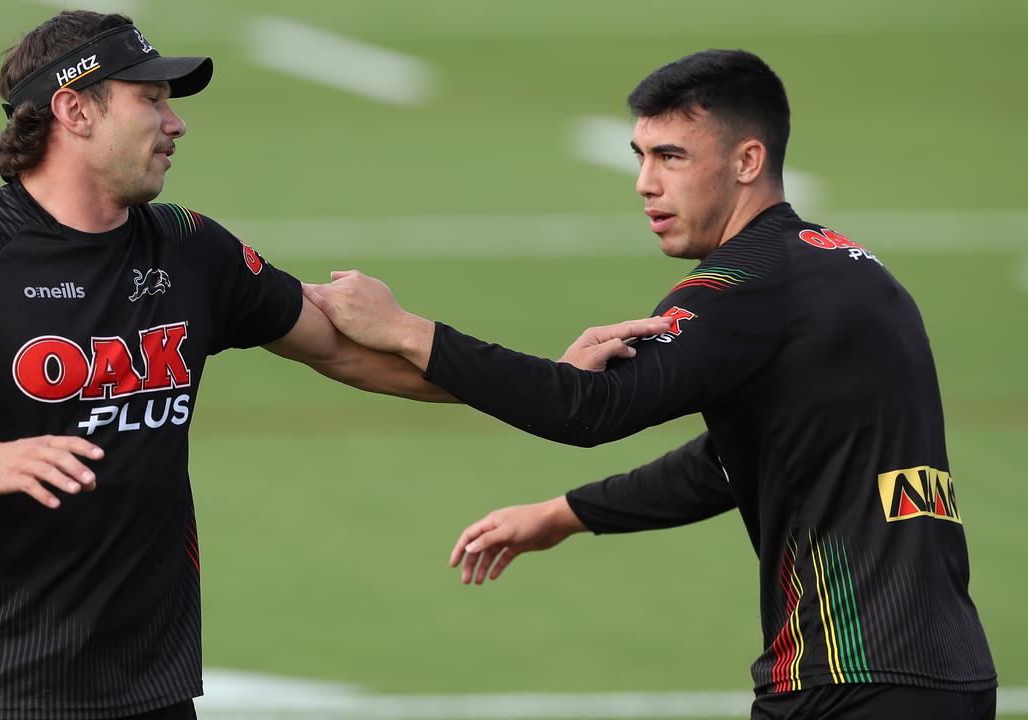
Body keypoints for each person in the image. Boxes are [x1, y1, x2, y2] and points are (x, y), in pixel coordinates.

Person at [0, 10, 659, 719]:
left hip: (154, 686)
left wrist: (542, 373)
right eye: (151, 100)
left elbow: (356, 356)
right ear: (75, 111)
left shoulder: (191, 250)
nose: (176, 122)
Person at [304, 49, 997, 719]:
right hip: (948, 672)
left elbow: (589, 407)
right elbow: (732, 463)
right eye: (640, 156)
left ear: (748, 161)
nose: (644, 182)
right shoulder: (853, 271)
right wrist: (565, 515)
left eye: (672, 157)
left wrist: (404, 330)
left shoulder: (745, 284)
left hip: (849, 678)